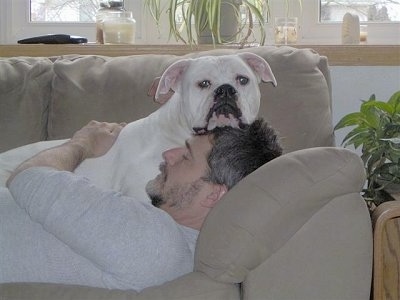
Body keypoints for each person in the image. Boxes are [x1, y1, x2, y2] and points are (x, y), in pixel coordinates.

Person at [1, 118, 282, 291]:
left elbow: (27, 179)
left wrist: (83, 143)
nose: (168, 154)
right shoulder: (166, 244)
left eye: (186, 157)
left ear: (213, 195)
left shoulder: (157, 243)